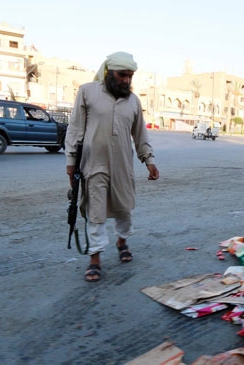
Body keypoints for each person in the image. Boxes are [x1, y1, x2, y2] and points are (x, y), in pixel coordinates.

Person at [65, 51, 160, 283]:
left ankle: (122, 241)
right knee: (95, 213)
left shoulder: (133, 101)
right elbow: (76, 128)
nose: (126, 80)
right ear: (109, 72)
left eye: (130, 76)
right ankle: (95, 259)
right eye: (122, 75)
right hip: (93, 164)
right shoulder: (87, 92)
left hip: (122, 166)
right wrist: (70, 161)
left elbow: (140, 135)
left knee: (124, 209)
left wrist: (149, 160)